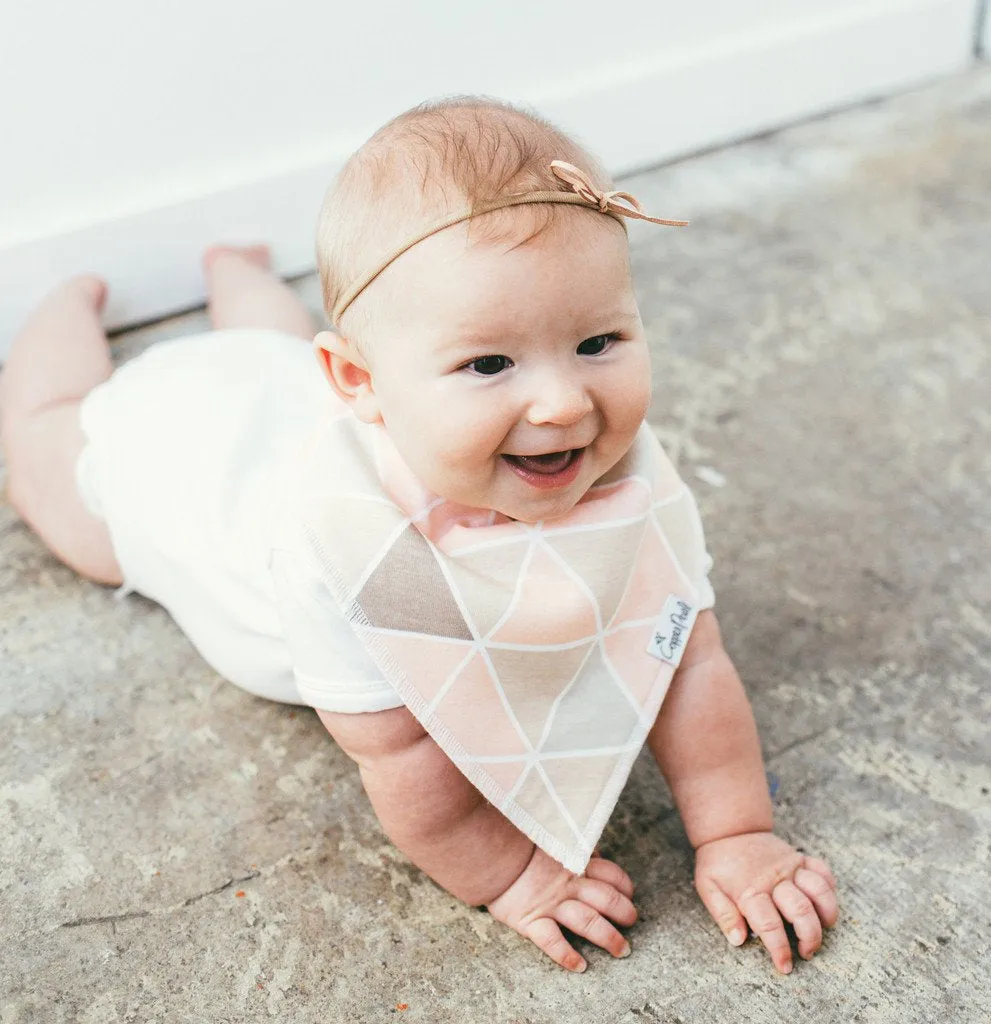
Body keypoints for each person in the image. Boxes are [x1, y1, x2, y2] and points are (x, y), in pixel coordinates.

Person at [0, 97, 837, 974]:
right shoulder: (346, 546)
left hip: (291, 385)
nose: (561, 404)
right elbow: (403, 750)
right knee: (59, 478)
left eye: (597, 341)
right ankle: (58, 314)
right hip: (188, 459)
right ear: (359, 384)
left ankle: (239, 274)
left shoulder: (625, 476)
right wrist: (512, 875)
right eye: (488, 364)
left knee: (274, 347)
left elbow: (687, 661)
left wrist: (738, 832)